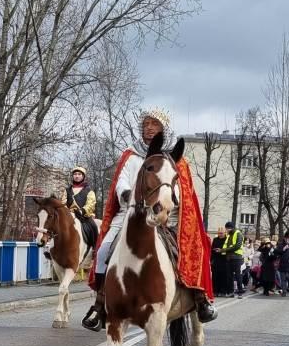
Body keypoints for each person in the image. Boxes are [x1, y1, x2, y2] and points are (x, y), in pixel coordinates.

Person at [83, 109, 217, 330]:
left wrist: (167, 206)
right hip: (129, 213)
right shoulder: (131, 154)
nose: (149, 128)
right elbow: (121, 181)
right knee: (104, 250)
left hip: (166, 218)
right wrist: (126, 194)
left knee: (190, 251)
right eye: (146, 124)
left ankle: (200, 299)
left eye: (154, 124)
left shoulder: (176, 159)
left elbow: (183, 190)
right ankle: (99, 304)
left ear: (163, 128)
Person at [220, 221, 246, 297]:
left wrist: (225, 250)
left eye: (227, 229)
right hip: (229, 258)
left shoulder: (238, 234)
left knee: (238, 275)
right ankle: (231, 292)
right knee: (229, 276)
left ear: (230, 228)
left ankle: (240, 292)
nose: (226, 230)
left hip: (237, 258)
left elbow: (237, 246)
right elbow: (227, 246)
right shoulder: (229, 235)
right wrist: (222, 250)